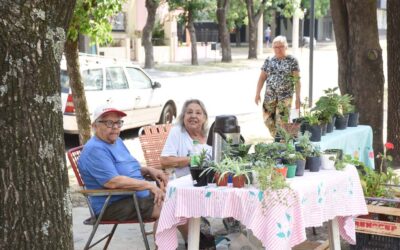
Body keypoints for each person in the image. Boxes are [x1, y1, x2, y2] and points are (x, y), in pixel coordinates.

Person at [78, 103, 187, 242]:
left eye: (118, 123)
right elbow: (113, 181)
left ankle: (194, 242)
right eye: (109, 123)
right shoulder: (95, 149)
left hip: (135, 196)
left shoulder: (116, 141)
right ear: (94, 126)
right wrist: (148, 186)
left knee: (180, 201)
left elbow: (126, 169)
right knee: (171, 209)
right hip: (113, 203)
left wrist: (148, 170)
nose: (115, 127)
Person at [254, 35, 301, 138]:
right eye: (276, 47)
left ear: (286, 47)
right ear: (273, 48)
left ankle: (280, 142)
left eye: (281, 46)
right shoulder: (269, 60)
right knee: (267, 120)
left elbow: (297, 80)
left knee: (281, 122)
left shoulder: (292, 60)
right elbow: (262, 78)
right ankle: (277, 138)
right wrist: (257, 93)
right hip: (269, 96)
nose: (278, 49)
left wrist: (298, 98)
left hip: (285, 96)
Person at [160, 99, 212, 178]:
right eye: (189, 112)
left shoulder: (210, 134)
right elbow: (165, 161)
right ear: (183, 116)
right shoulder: (177, 132)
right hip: (183, 183)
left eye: (198, 113)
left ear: (204, 118)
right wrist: (193, 160)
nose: (193, 116)